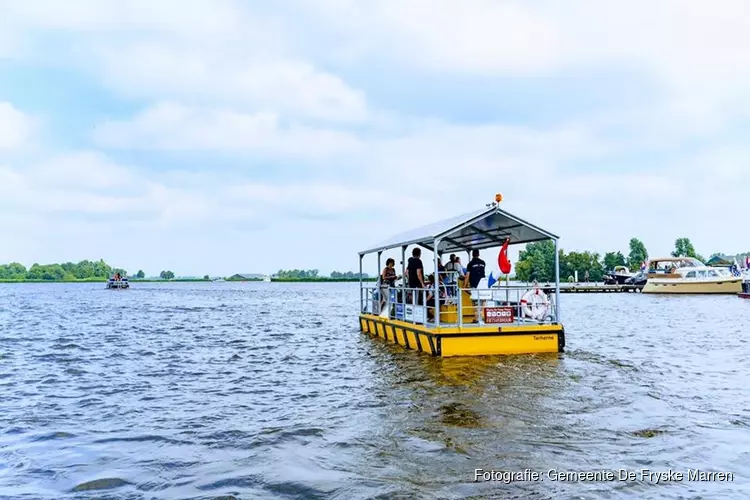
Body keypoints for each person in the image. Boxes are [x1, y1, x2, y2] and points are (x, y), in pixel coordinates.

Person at [464, 249, 486, 323]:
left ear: (472, 254)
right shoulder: (483, 263)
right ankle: (483, 317)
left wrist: (464, 286)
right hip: (483, 285)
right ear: (478, 254)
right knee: (483, 301)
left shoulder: (470, 264)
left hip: (474, 285)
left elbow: (467, 276)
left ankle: (477, 319)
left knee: (475, 302)